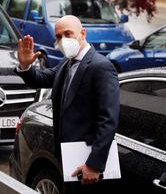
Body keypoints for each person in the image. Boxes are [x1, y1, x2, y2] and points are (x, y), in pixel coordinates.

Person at [15, 15, 119, 193]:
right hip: (67, 158)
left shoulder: (100, 67)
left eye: (68, 34)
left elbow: (108, 119)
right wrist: (25, 66)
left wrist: (94, 164)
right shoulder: (67, 63)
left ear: (83, 33)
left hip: (88, 161)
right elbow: (42, 78)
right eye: (58, 36)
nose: (63, 40)